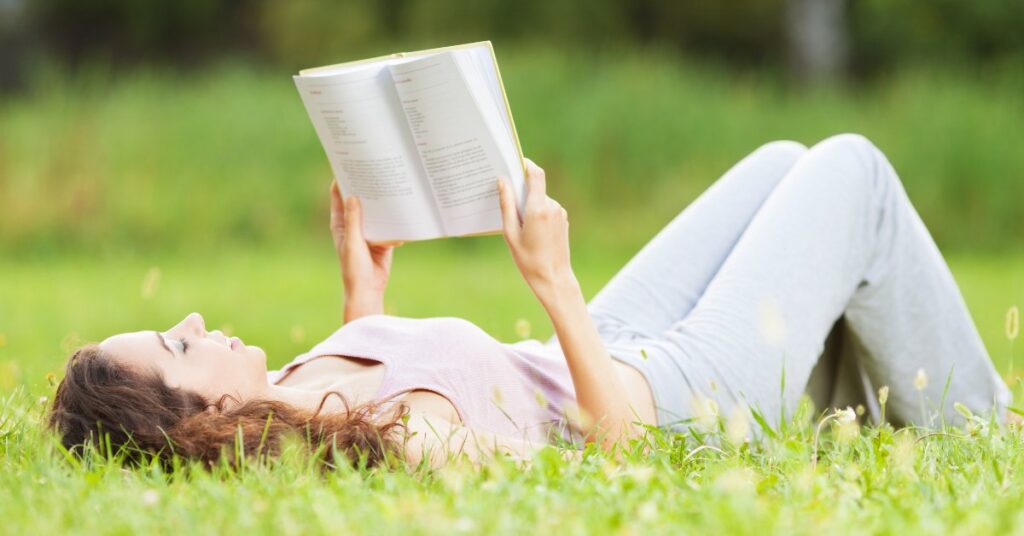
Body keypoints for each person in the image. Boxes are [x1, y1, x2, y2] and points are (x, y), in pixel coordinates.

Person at [48, 133, 1011, 470]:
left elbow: (373, 386)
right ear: (200, 417)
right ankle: (990, 427)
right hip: (667, 398)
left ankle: (880, 411)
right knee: (852, 174)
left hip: (617, 346)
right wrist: (553, 282)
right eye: (177, 349)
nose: (194, 324)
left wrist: (365, 293)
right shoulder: (402, 446)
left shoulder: (296, 404)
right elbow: (613, 453)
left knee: (781, 165)